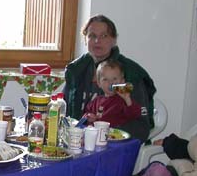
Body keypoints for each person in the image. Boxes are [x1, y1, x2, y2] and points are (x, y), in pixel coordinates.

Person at [64, 14, 156, 142]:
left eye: (104, 36)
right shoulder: (76, 70)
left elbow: (141, 128)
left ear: (114, 40)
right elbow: (64, 112)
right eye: (92, 36)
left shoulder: (130, 73)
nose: (97, 41)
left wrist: (106, 133)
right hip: (76, 139)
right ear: (85, 39)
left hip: (114, 143)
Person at [82, 60, 144, 129]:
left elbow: (135, 115)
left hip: (114, 134)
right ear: (99, 83)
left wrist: (127, 99)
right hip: (95, 133)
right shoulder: (96, 101)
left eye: (114, 79)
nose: (110, 82)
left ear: (122, 81)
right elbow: (86, 114)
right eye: (105, 79)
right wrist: (89, 117)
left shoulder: (123, 101)